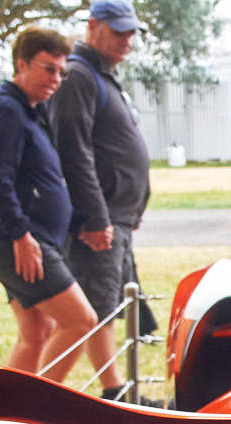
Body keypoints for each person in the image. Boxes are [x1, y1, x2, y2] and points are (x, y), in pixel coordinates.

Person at [0, 26, 122, 394]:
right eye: (48, 69)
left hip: (30, 239)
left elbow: (38, 182)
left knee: (37, 332)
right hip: (18, 241)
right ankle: (36, 416)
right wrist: (20, 235)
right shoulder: (7, 110)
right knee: (81, 322)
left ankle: (9, 423)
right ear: (21, 63)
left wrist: (78, 224)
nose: (56, 80)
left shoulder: (28, 111)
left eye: (61, 71)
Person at [50, 0, 151, 338]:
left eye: (131, 34)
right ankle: (110, 389)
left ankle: (114, 388)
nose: (127, 41)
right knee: (93, 314)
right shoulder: (79, 76)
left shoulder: (102, 76)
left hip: (116, 216)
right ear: (93, 27)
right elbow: (74, 152)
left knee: (104, 311)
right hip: (100, 222)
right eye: (118, 32)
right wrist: (95, 217)